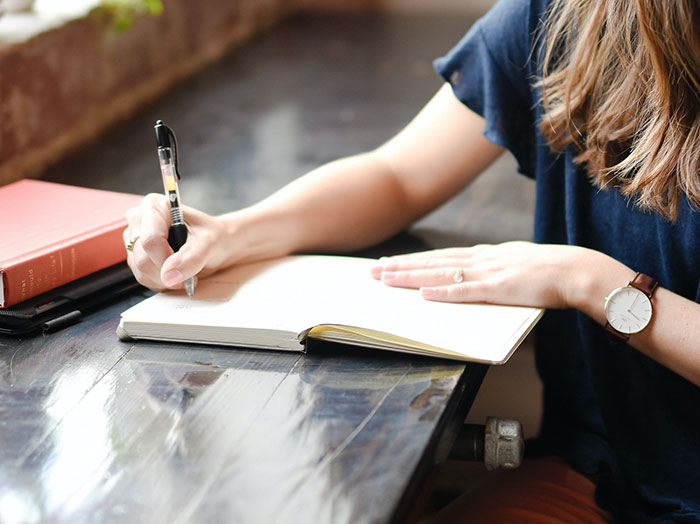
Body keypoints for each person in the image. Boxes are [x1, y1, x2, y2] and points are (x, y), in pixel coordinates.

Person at [124, 0, 700, 521]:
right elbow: (398, 176)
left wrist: (587, 279)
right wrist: (231, 233)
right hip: (595, 479)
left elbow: (583, 278)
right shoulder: (561, 19)